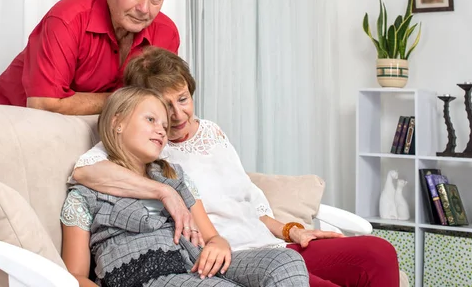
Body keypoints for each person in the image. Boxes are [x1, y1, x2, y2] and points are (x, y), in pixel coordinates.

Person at [71, 47, 401, 287]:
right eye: (161, 107)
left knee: (378, 253)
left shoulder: (211, 131)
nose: (176, 116)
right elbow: (85, 171)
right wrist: (163, 192)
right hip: (229, 258)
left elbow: (247, 197)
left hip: (266, 245)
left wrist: (292, 229)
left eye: (182, 98)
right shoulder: (147, 148)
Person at [61, 86, 310, 286]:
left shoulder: (173, 175)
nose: (161, 131)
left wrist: (217, 244)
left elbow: (212, 236)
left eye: (164, 126)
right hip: (144, 277)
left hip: (197, 264)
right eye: (151, 120)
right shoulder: (86, 193)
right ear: (118, 122)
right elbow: (74, 275)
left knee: (285, 261)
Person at [0, 0, 180, 115]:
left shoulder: (166, 33)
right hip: (18, 119)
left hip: (101, 125)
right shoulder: (67, 19)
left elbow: (163, 98)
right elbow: (43, 104)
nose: (144, 9)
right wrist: (128, 99)